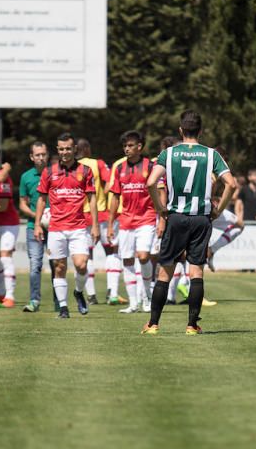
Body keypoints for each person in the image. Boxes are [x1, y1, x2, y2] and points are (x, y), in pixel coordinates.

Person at [143, 110, 237, 335]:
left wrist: (159, 208)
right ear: (201, 131)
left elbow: (150, 182)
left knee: (165, 273)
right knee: (196, 272)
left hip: (176, 217)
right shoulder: (211, 154)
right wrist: (218, 210)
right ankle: (192, 326)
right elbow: (231, 184)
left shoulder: (169, 153)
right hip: (201, 219)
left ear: (180, 130)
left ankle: (153, 324)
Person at [34, 133, 99, 319]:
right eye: (61, 149)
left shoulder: (85, 171)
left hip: (78, 227)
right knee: (60, 267)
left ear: (74, 149)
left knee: (81, 264)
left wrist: (95, 225)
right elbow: (41, 199)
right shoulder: (49, 172)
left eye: (68, 148)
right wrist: (38, 224)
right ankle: (63, 307)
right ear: (58, 150)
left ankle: (78, 292)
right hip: (56, 228)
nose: (65, 152)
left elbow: (92, 199)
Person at [107, 130, 158, 314]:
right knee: (127, 260)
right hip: (126, 221)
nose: (126, 149)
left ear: (139, 147)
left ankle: (147, 297)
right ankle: (133, 303)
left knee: (143, 256)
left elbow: (160, 192)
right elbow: (114, 197)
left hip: (147, 219)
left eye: (130, 145)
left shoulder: (150, 166)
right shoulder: (119, 168)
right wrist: (112, 223)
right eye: (125, 146)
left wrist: (162, 219)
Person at [77, 138, 117, 304]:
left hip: (81, 216)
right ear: (87, 149)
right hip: (99, 213)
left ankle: (91, 295)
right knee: (111, 252)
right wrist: (105, 194)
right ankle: (112, 293)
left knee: (88, 255)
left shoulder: (73, 167)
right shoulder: (97, 163)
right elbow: (110, 182)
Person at [0, 143, 20, 308]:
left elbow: (2, 206)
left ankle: (10, 296)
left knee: (5, 256)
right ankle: (0, 293)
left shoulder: (4, 176)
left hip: (8, 223)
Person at [18, 141, 49, 313]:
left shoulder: (55, 174)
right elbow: (22, 204)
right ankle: (34, 300)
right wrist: (38, 217)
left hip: (55, 227)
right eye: (37, 155)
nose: (41, 157)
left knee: (57, 265)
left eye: (43, 154)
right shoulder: (26, 177)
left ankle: (60, 302)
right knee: (35, 264)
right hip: (33, 227)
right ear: (32, 157)